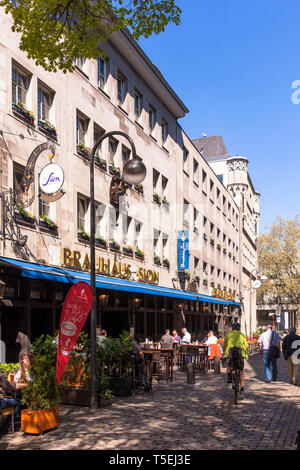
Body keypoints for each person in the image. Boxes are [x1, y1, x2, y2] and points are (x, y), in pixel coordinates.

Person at [223, 322, 248, 395]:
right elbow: (246, 345)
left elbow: (225, 344)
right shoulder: (242, 335)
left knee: (229, 364)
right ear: (239, 328)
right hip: (240, 354)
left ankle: (229, 375)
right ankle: (242, 388)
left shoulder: (229, 335)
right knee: (241, 371)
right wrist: (246, 353)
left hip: (230, 353)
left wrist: (224, 352)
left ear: (232, 328)